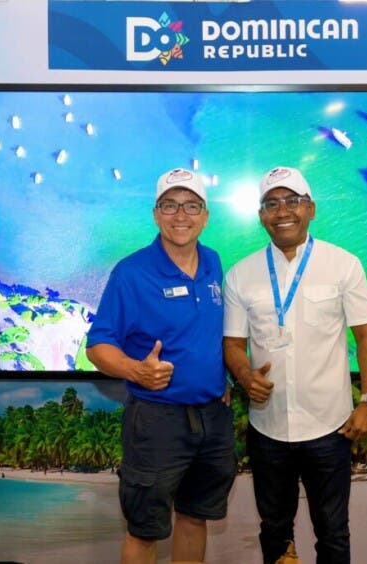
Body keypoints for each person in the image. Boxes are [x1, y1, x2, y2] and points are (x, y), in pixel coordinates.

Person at [223, 166, 367, 564]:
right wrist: (244, 375)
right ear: (261, 216)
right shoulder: (240, 274)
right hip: (267, 428)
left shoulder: (344, 265)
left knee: (333, 532)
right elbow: (233, 344)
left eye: (292, 201)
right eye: (272, 204)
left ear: (311, 208)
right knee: (274, 530)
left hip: (330, 427)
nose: (282, 211)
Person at [87, 167, 235, 564]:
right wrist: (136, 370)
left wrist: (223, 374)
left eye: (191, 206)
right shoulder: (131, 272)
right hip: (157, 421)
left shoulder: (213, 262)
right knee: (144, 530)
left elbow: (209, 331)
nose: (180, 215)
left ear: (205, 216)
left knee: (195, 517)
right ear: (156, 214)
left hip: (213, 417)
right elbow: (98, 346)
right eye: (170, 205)